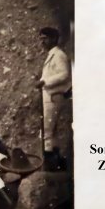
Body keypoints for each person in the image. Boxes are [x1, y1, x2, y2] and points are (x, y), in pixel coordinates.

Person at [36, 27, 72, 171]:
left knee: (47, 131)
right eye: (41, 39)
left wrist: (45, 82)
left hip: (52, 97)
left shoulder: (59, 55)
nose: (42, 42)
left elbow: (64, 74)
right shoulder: (52, 55)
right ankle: (56, 162)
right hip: (48, 97)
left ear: (54, 39)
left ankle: (51, 164)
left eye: (45, 39)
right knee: (50, 131)